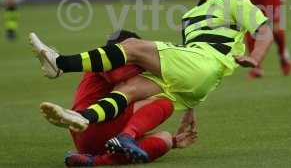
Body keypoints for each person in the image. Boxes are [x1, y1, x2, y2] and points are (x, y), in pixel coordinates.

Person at [30, 0, 274, 162]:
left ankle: (60, 64)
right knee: (130, 89)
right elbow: (188, 70)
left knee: (133, 47)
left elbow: (264, 30)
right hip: (194, 74)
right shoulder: (189, 17)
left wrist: (256, 58)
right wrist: (190, 107)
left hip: (204, 62)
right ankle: (83, 117)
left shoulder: (232, 0)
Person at [43, 30, 197, 166]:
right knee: (165, 104)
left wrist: (175, 142)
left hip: (87, 138)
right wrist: (155, 65)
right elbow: (116, 75)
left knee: (166, 139)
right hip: (92, 126)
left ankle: (93, 160)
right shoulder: (109, 64)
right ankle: (123, 139)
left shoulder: (101, 62)